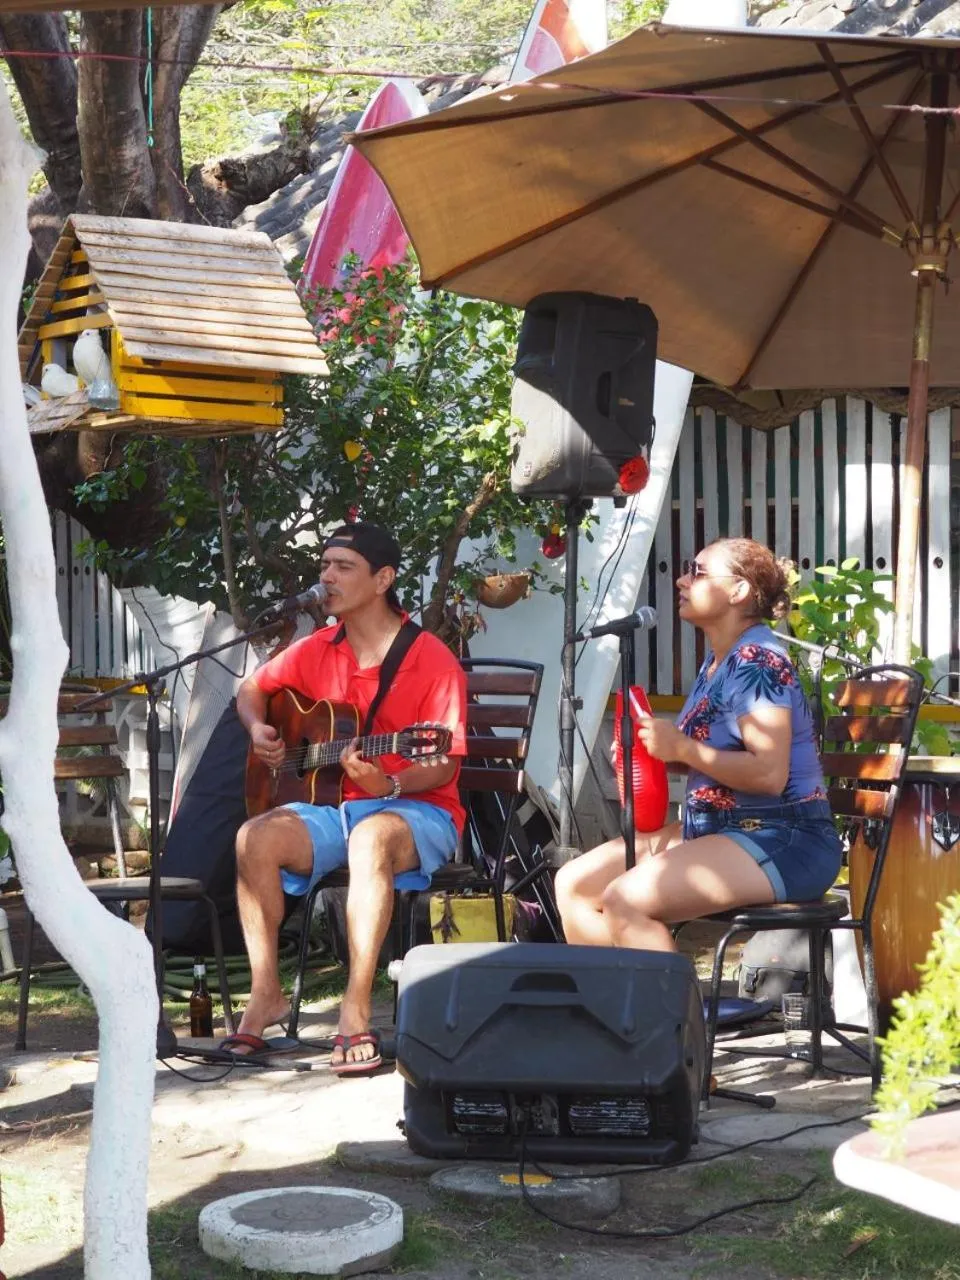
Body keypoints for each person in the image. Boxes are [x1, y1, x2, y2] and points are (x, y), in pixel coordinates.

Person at [228, 522, 467, 1073]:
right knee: (253, 837)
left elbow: (445, 762)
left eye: (343, 567)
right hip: (335, 807)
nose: (326, 577)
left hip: (419, 810)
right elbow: (252, 688)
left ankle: (355, 1009)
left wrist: (392, 785)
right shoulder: (318, 649)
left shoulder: (430, 658)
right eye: (325, 565)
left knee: (369, 837)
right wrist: (258, 729)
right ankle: (266, 992)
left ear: (383, 579)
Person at [555, 537, 842, 953]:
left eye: (699, 572)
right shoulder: (718, 661)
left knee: (625, 901)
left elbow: (768, 774)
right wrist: (657, 758)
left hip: (782, 837)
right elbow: (719, 761)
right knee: (575, 885)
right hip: (718, 830)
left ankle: (673, 1016)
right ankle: (620, 1008)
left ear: (739, 590)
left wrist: (684, 749)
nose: (682, 580)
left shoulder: (757, 661)